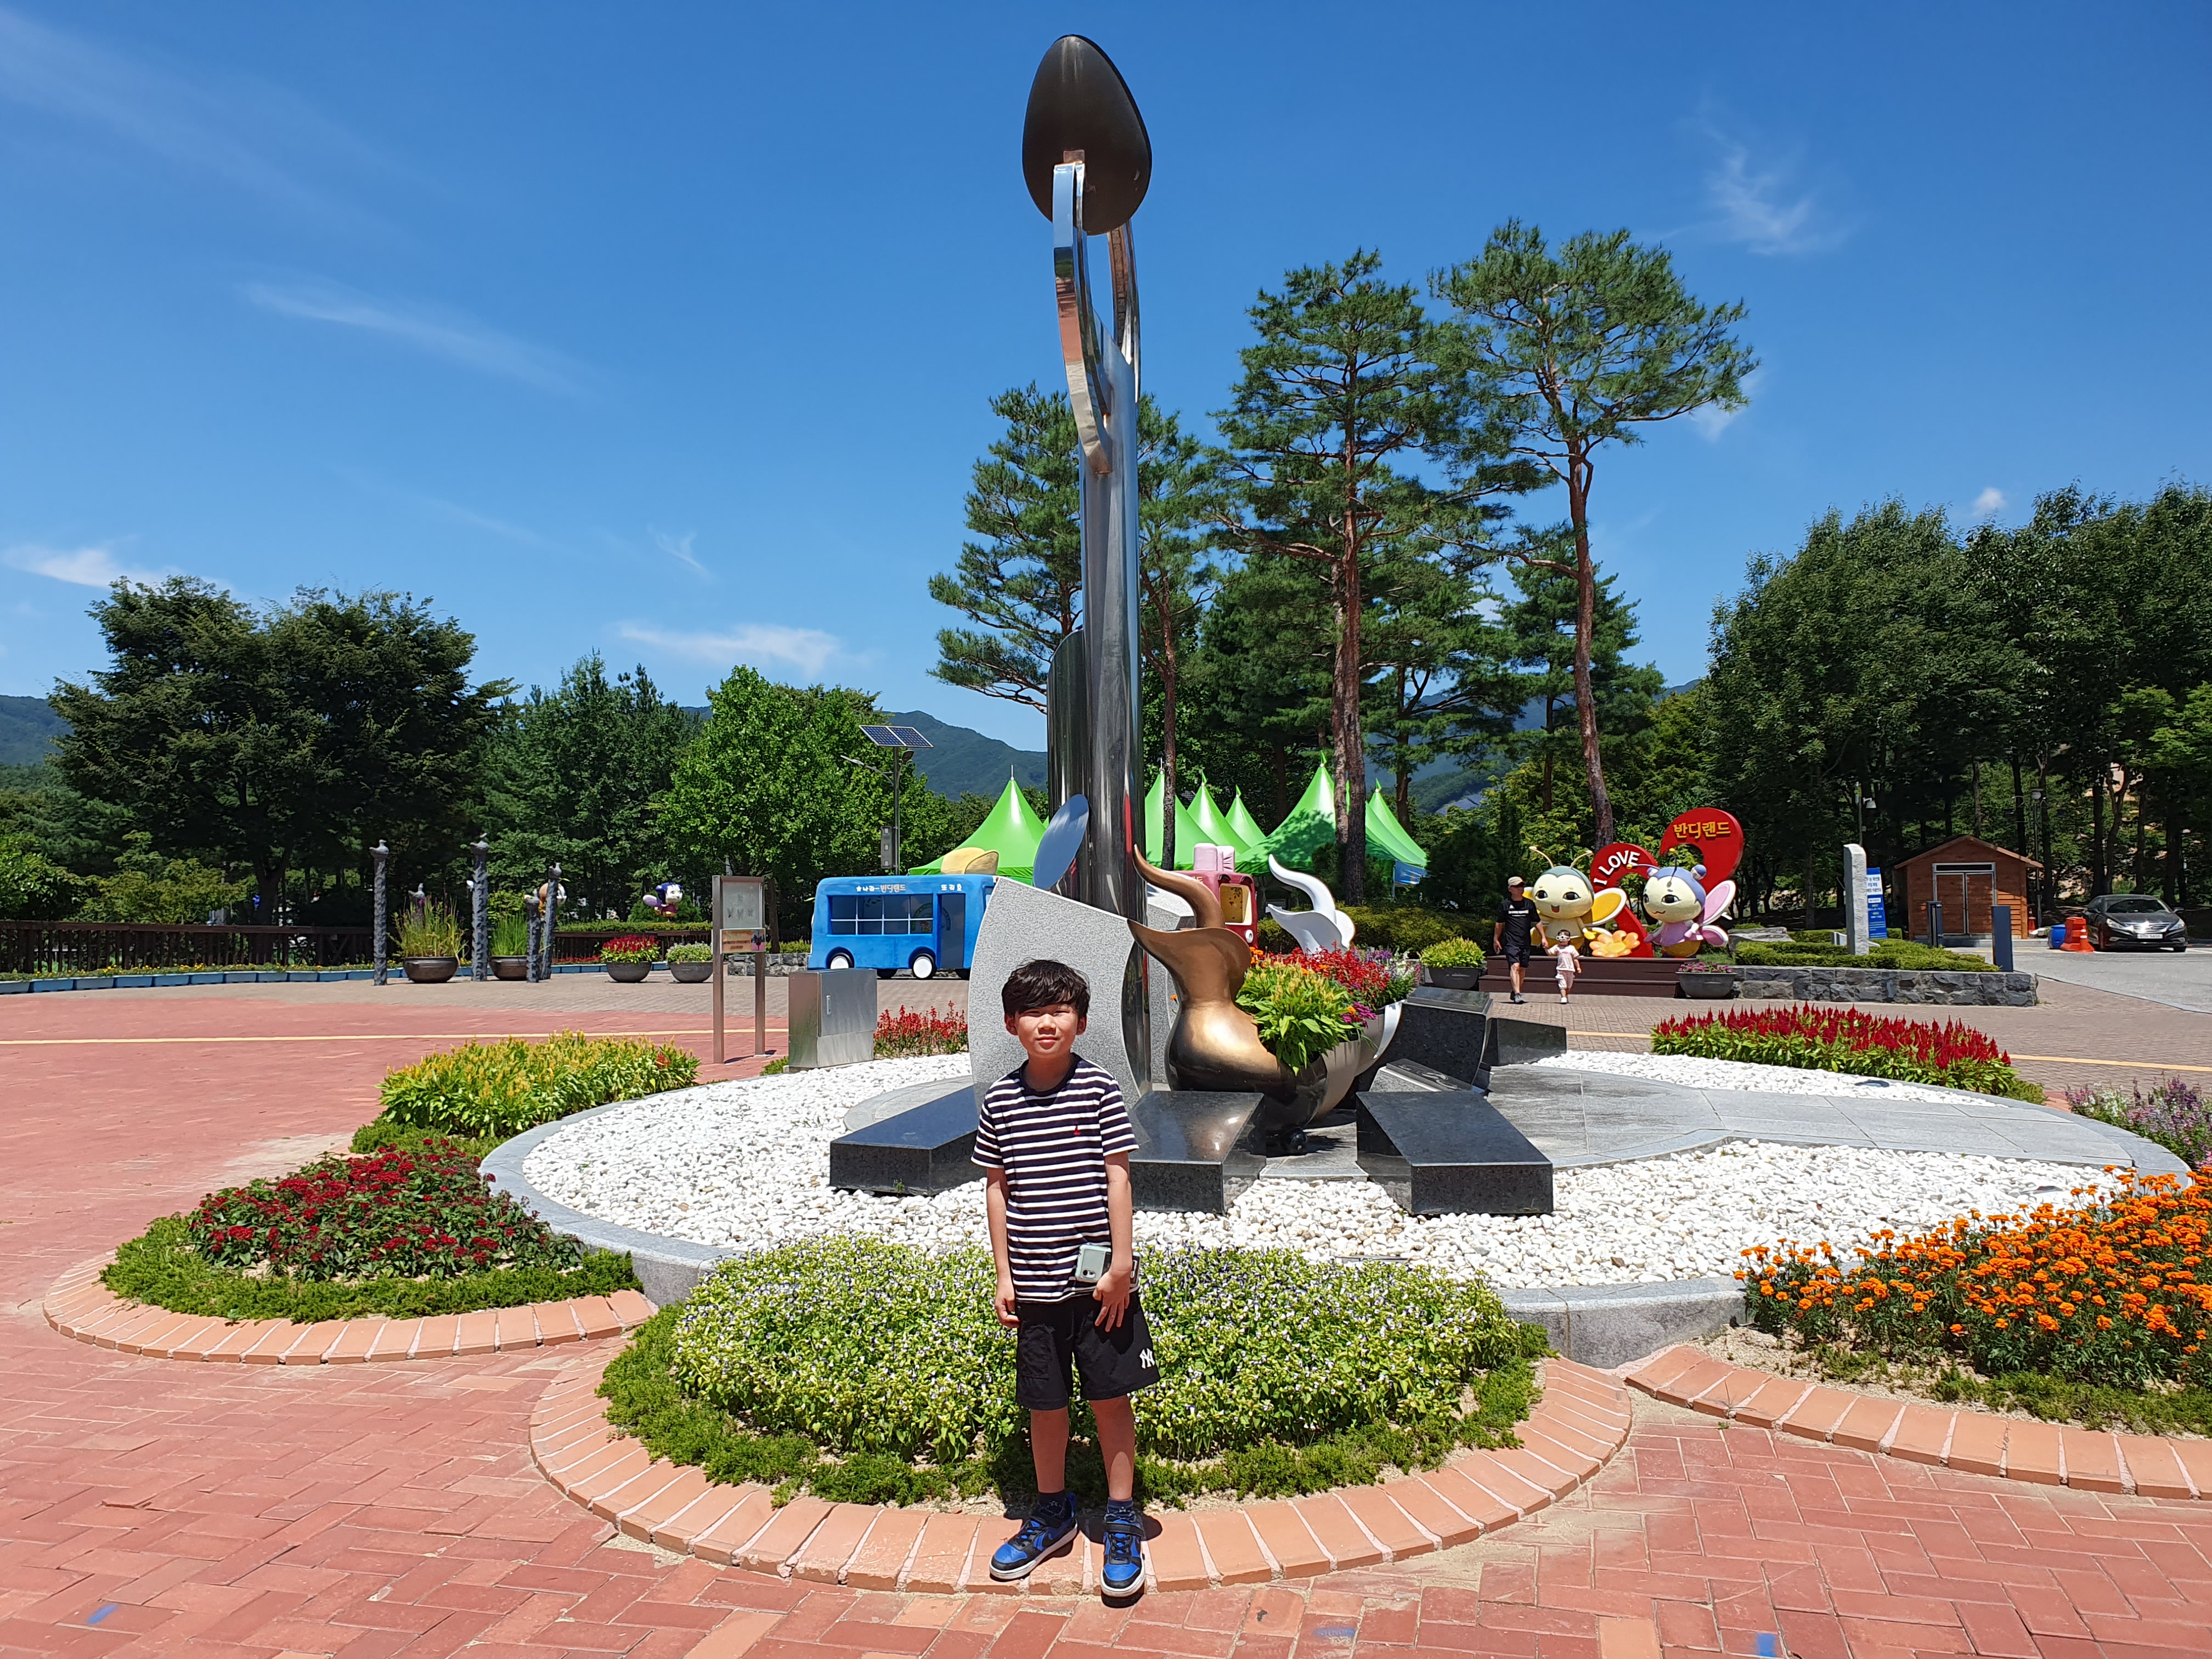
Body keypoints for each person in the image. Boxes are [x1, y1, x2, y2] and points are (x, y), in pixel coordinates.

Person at [976, 958, 1157, 1599]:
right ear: (1011, 1024)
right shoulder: (1000, 1100)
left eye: (1059, 1011)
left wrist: (1121, 1265)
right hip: (1034, 1285)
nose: (1047, 1023)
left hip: (1100, 1287)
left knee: (1111, 1397)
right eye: (1033, 1012)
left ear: (1080, 1021)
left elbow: (1118, 1176)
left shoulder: (1100, 1088)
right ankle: (1051, 1510)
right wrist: (1004, 1275)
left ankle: (1120, 1514)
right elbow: (997, 1189)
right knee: (1045, 1403)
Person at [1491, 875, 1538, 1003]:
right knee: (1515, 966)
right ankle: (1518, 994)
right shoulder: (1505, 905)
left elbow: (1537, 922)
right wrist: (1496, 939)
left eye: (1522, 886)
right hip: (1511, 942)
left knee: (1522, 968)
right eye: (1517, 886)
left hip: (1525, 942)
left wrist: (1544, 938)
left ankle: (1516, 990)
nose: (1520, 889)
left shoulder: (1529, 904)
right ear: (1510, 889)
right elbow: (1499, 924)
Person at [1552, 933, 1582, 1004]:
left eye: (1563, 937)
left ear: (1568, 939)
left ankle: (1566, 995)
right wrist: (1546, 947)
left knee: (1569, 986)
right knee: (1562, 984)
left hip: (1570, 969)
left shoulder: (1572, 948)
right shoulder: (1557, 947)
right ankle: (1563, 997)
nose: (1561, 940)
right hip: (1561, 969)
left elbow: (1575, 958)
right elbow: (1551, 953)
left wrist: (1578, 967)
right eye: (1559, 937)